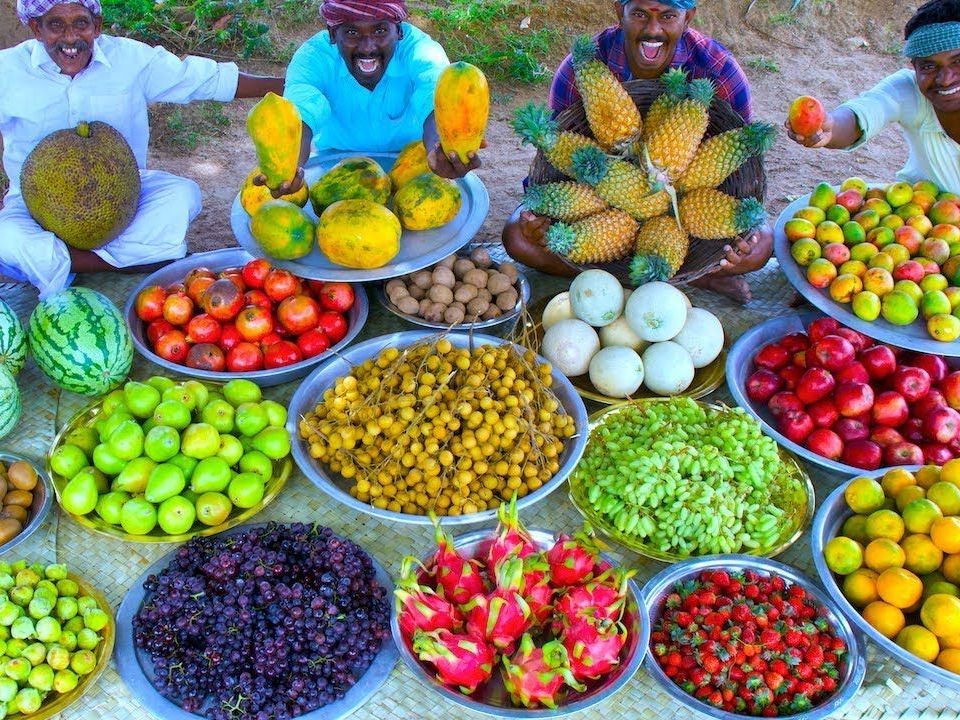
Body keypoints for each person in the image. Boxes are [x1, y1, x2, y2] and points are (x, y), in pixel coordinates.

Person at [0, 0, 285, 299]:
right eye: (55, 24)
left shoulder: (130, 59)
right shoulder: (7, 70)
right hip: (36, 207)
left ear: (96, 26)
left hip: (122, 200)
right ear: (36, 28)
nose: (70, 37)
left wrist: (289, 85)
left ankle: (60, 263)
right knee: (7, 239)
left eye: (81, 23)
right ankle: (122, 262)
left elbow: (202, 79)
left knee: (182, 196)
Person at [502, 0, 772, 303]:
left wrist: (743, 236)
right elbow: (552, 168)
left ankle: (668, 276)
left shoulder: (719, 69)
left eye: (668, 16)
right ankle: (687, 280)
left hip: (693, 207)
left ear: (688, 18)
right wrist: (537, 222)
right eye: (640, 14)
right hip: (598, 200)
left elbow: (743, 165)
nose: (653, 29)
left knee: (762, 245)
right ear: (620, 12)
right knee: (516, 237)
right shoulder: (581, 69)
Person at [274, 0, 480, 196]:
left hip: (413, 164)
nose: (367, 47)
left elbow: (436, 98)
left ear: (399, 31)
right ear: (332, 34)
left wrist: (440, 148)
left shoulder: (421, 51)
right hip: (335, 166)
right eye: (352, 32)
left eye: (380, 31)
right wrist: (290, 168)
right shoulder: (313, 57)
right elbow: (298, 115)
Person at [787, 0, 960, 195]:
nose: (945, 79)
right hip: (916, 218)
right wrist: (830, 126)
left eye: (957, 61)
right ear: (914, 66)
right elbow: (866, 112)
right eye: (928, 66)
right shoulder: (909, 91)